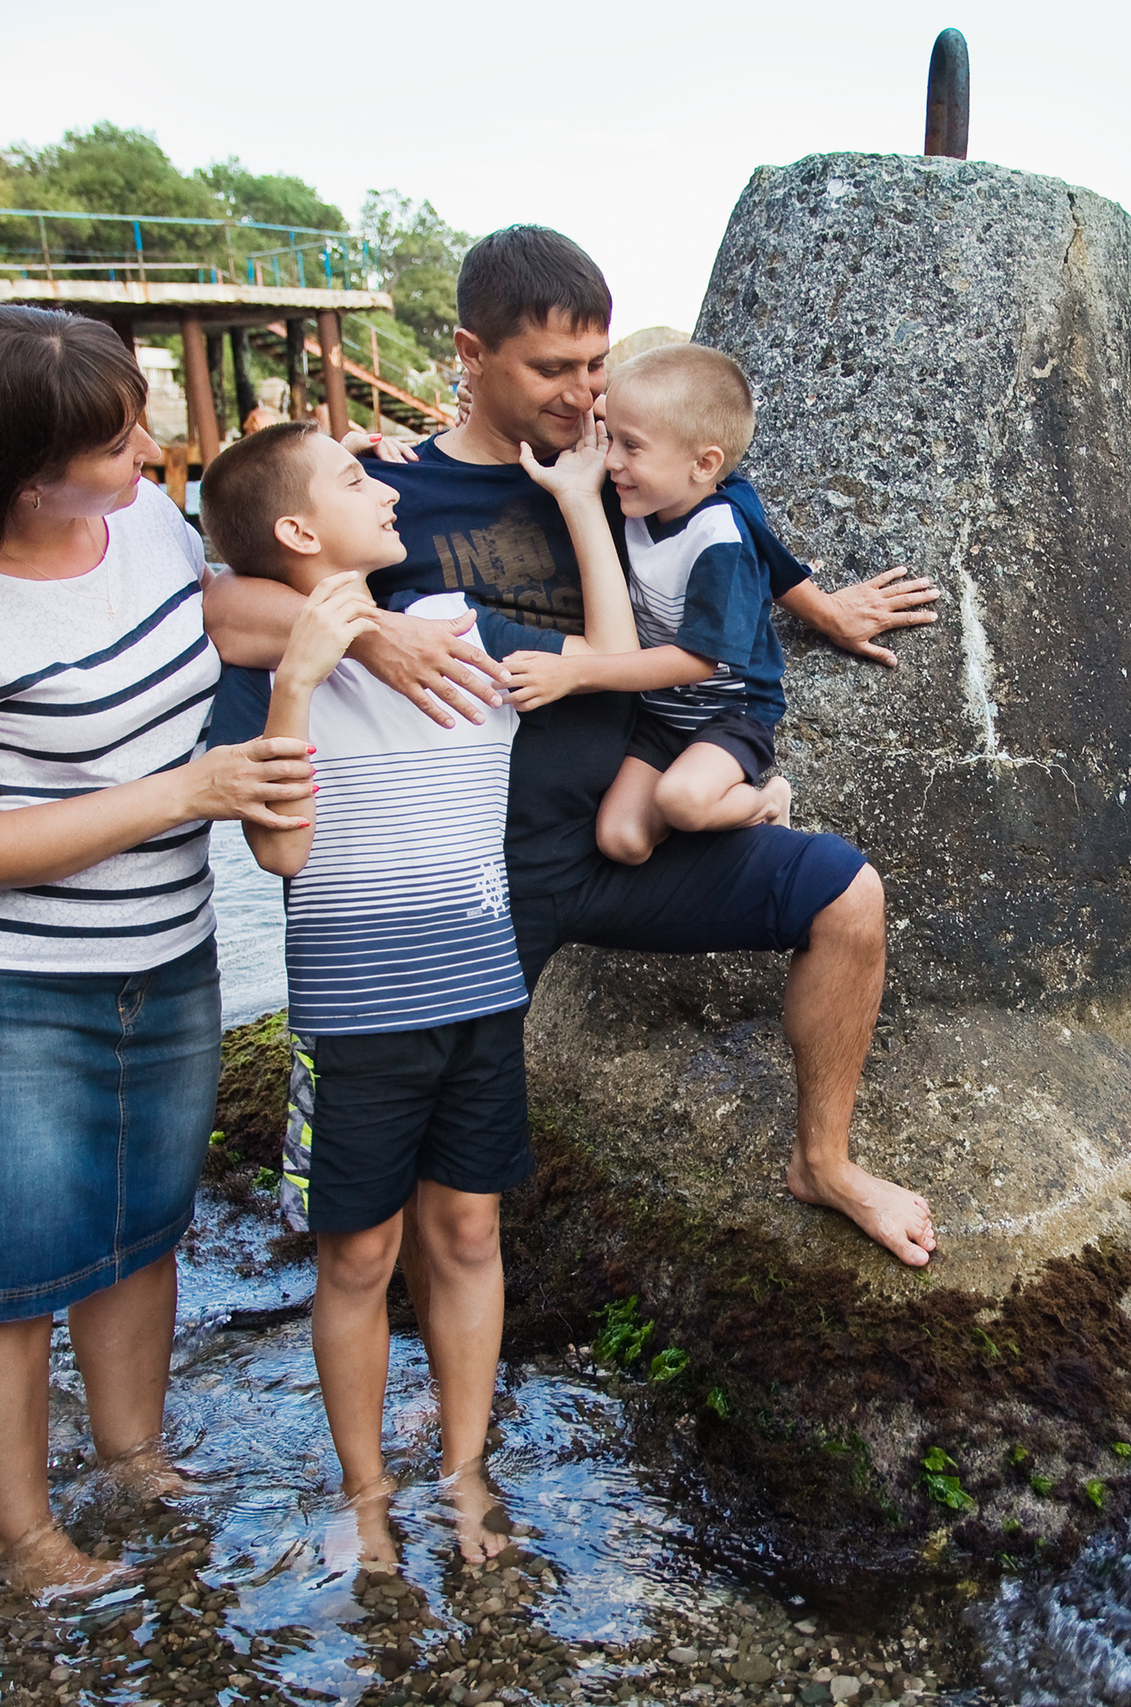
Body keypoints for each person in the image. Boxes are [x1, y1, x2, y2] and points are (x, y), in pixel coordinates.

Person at [204, 225, 942, 1265]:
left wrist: (821, 608)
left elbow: (733, 517)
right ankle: (426, 1355)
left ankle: (821, 1161)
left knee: (846, 896)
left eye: (594, 365)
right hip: (467, 878)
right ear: (470, 355)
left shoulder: (616, 464)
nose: (581, 391)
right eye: (553, 368)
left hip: (618, 835)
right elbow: (225, 608)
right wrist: (377, 629)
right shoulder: (386, 495)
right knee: (438, 1178)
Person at [0, 304, 321, 1599]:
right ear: (14, 472)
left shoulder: (142, 516)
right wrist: (191, 790)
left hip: (167, 951)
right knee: (4, 1281)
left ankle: (134, 1457)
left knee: (141, 1228)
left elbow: (210, 609)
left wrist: (361, 630)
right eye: (111, 440)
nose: (149, 448)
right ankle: (29, 1541)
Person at [196, 416, 635, 1564]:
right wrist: (299, 675)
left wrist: (583, 499)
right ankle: (365, 1494)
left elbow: (606, 645)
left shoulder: (456, 629)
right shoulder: (259, 674)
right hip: (352, 1022)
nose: (386, 482)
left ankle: (463, 1469)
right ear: (297, 529)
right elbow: (280, 860)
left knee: (471, 1234)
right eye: (355, 478)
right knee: (355, 1259)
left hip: (480, 996)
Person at [561, 341, 799, 863]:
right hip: (661, 716)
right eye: (611, 438)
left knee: (681, 800)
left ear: (703, 463)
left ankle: (764, 800)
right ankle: (698, 823)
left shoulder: (721, 541)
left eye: (632, 446)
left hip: (728, 713)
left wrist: (578, 672)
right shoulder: (643, 501)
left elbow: (698, 660)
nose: (612, 460)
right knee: (621, 840)